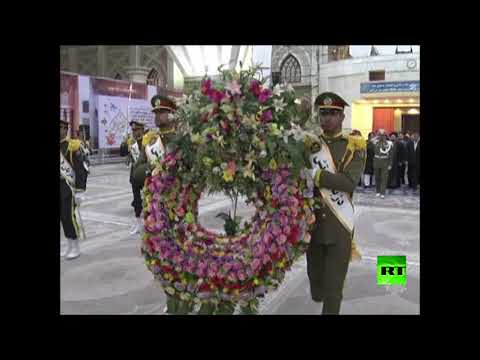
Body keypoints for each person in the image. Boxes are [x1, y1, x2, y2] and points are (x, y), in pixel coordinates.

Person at [307, 92, 366, 314]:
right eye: (323, 113)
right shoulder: (309, 145)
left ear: (342, 117)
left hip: (339, 227)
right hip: (313, 227)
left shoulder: (354, 146)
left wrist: (317, 175)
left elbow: (349, 183)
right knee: (316, 287)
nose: (327, 118)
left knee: (333, 290)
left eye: (333, 114)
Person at [60, 119, 89, 259]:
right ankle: (69, 244)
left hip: (69, 188)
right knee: (62, 218)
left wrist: (80, 191)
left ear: (66, 130)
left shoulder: (72, 146)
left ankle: (76, 246)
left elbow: (80, 169)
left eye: (61, 128)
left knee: (68, 216)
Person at [120, 119, 146, 235]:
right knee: (136, 201)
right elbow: (122, 153)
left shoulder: (148, 141)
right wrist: (124, 142)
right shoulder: (132, 143)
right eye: (133, 130)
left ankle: (149, 224)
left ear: (142, 130)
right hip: (134, 176)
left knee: (149, 201)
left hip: (146, 176)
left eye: (137, 129)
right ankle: (138, 225)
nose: (134, 132)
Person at [372, 129, 393, 199]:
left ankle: (382, 192)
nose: (382, 137)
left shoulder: (389, 143)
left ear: (385, 136)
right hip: (377, 162)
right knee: (377, 178)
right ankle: (378, 191)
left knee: (384, 178)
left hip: (385, 162)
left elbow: (391, 155)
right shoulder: (376, 142)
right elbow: (370, 141)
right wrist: (377, 135)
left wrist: (390, 164)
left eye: (383, 135)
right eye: (380, 135)